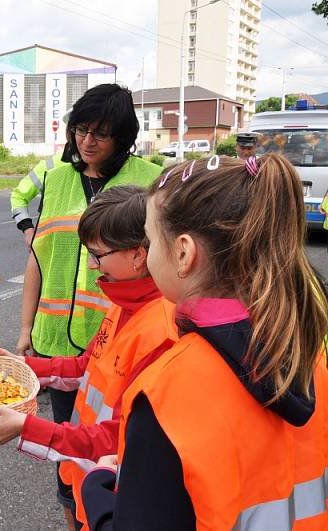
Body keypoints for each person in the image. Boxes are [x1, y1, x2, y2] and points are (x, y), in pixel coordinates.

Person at [81, 154, 328, 530]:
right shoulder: (306, 355)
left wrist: (98, 489)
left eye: (149, 239)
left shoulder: (166, 393)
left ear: (183, 253)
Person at [0, 185, 177, 531]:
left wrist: (27, 429)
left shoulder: (161, 331)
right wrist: (26, 368)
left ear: (138, 255)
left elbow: (122, 437)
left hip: (116, 491)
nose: (93, 266)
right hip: (88, 475)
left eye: (98, 254)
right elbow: (86, 366)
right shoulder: (125, 303)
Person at [15, 83, 162, 524]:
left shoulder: (150, 179)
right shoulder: (57, 179)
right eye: (80, 129)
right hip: (61, 342)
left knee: (120, 458)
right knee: (71, 453)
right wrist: (26, 330)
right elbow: (39, 258)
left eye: (101, 133)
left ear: (123, 137)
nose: (87, 141)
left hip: (126, 339)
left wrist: (20, 430)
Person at [10, 141, 71, 246]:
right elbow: (18, 196)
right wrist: (28, 230)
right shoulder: (51, 165)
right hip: (49, 247)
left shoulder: (105, 167)